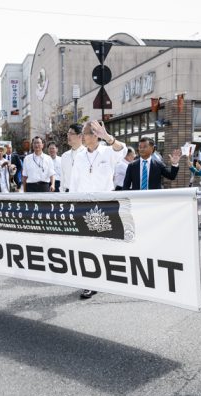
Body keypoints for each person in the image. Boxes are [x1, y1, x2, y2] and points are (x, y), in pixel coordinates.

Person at [70, 120, 126, 299]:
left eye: (85, 134)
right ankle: (89, 283)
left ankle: (106, 277)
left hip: (105, 205)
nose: (82, 137)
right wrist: (71, 204)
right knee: (86, 245)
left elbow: (123, 150)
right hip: (84, 205)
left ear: (95, 135)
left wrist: (107, 137)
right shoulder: (79, 156)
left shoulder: (108, 151)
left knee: (104, 244)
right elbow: (74, 182)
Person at [60, 124, 84, 192]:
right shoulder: (65, 155)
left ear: (80, 136)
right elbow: (62, 178)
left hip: (82, 193)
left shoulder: (87, 154)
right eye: (68, 134)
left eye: (71, 134)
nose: (68, 136)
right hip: (67, 194)